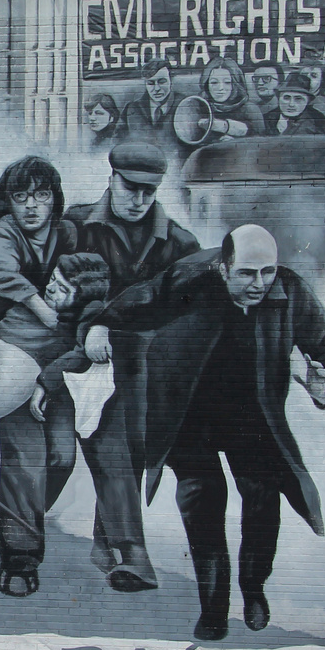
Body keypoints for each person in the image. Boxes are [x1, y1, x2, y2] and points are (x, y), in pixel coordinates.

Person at [92, 225, 325, 641]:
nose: (259, 284)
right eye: (247, 273)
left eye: (267, 272)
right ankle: (213, 608)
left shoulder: (289, 291)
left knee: (263, 501)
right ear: (223, 267)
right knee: (202, 503)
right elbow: (142, 298)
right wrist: (99, 326)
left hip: (253, 417)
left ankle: (254, 588)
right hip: (189, 413)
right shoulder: (191, 278)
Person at [64, 143, 201, 590]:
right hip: (81, 354)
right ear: (111, 178)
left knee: (135, 447)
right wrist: (93, 323)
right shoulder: (76, 225)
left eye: (149, 191)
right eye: (130, 188)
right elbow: (59, 289)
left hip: (144, 366)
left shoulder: (179, 243)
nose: (139, 200)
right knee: (111, 443)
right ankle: (134, 554)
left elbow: (187, 312)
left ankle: (107, 543)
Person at [0, 156, 78, 597]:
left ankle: (16, 523)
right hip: (16, 354)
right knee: (24, 460)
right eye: (21, 196)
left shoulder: (69, 234)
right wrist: (37, 304)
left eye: (42, 195)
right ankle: (19, 557)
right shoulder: (2, 234)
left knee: (62, 459)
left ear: (55, 199)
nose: (32, 206)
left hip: (62, 363)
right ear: (7, 201)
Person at [118, 60, 182, 157]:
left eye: (162, 82)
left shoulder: (185, 104)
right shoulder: (131, 109)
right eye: (151, 83)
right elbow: (116, 144)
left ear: (171, 81)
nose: (156, 88)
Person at [248, 61, 283, 132]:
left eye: (266, 78)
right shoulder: (252, 109)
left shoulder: (282, 112)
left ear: (280, 82)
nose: (260, 83)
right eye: (256, 79)